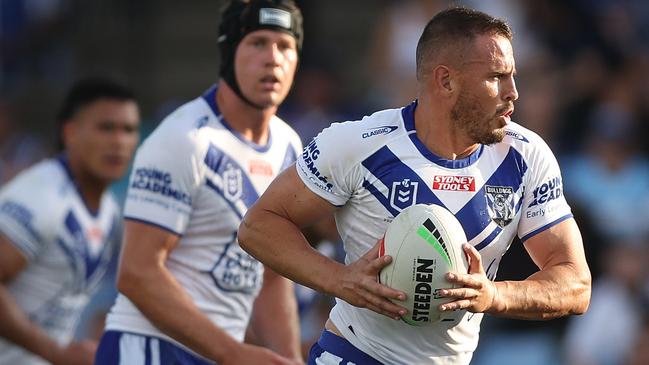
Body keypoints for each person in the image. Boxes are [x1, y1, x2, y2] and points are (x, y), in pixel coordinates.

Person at [238, 6, 592, 365]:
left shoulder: (525, 157)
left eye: (513, 76)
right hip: (355, 355)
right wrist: (340, 280)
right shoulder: (358, 144)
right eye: (497, 77)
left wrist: (495, 295)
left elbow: (575, 283)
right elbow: (258, 226)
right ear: (445, 81)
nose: (514, 92)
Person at [95, 1, 304, 364]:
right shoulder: (184, 137)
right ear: (228, 51)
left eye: (285, 46)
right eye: (257, 43)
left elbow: (273, 275)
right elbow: (136, 273)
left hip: (218, 354)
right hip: (147, 349)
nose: (273, 58)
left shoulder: (290, 146)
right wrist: (232, 352)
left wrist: (289, 359)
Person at [0, 78, 140, 365]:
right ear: (70, 133)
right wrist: (57, 353)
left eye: (128, 130)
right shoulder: (40, 197)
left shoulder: (109, 210)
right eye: (106, 128)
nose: (119, 142)